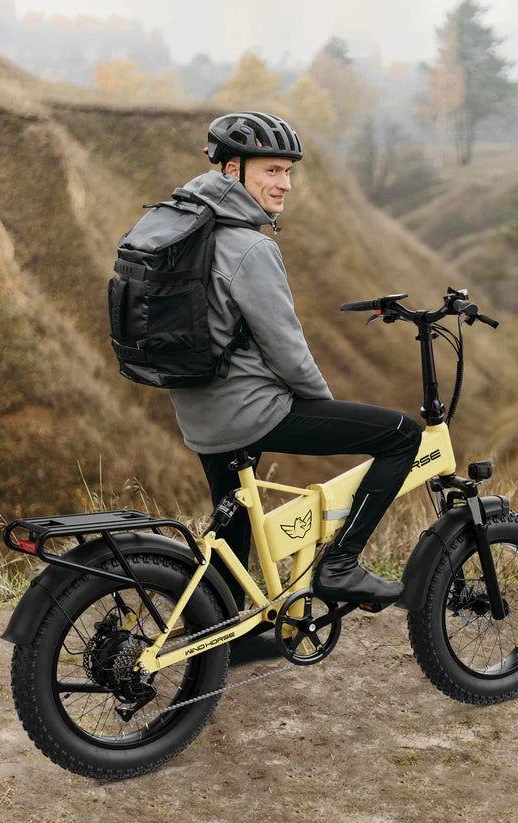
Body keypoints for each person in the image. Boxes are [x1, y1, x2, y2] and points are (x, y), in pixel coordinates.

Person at [167, 111, 421, 611]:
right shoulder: (248, 246)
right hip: (248, 413)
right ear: (232, 171)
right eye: (271, 171)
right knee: (401, 435)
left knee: (232, 531)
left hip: (199, 412)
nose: (285, 184)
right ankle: (342, 565)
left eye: (288, 172)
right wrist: (322, 410)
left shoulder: (189, 228)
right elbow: (288, 349)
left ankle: (222, 636)